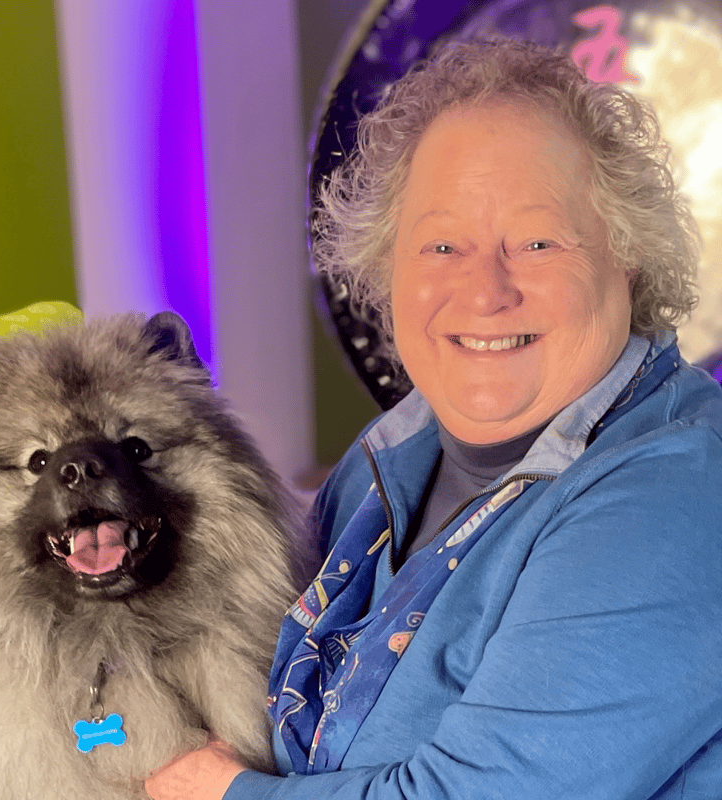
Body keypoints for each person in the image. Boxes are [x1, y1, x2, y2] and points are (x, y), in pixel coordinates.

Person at [146, 39, 722, 800]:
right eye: (442, 244)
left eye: (538, 241)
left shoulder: (677, 497)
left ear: (629, 256)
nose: (485, 292)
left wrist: (217, 791)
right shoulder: (399, 450)